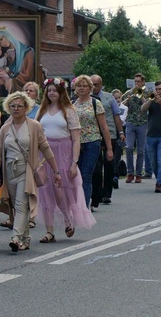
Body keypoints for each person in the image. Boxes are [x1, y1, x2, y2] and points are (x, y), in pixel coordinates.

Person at [0, 90, 60, 252]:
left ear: (26, 108)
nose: (16, 109)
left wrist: (56, 171)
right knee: (16, 205)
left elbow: (45, 148)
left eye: (19, 106)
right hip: (10, 172)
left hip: (27, 170)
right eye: (13, 106)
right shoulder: (5, 128)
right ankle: (26, 238)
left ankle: (15, 238)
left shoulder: (34, 126)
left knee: (22, 204)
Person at [35, 78, 95, 243]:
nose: (52, 93)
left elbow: (76, 139)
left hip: (63, 152)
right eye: (49, 90)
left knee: (60, 190)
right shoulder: (43, 110)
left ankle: (68, 219)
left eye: (55, 90)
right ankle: (49, 231)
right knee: (45, 189)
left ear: (61, 92)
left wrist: (74, 162)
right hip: (46, 153)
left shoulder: (69, 110)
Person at [73, 75, 113, 207]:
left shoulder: (95, 103)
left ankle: (84, 206)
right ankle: (76, 203)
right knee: (76, 175)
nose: (82, 88)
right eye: (80, 86)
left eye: (85, 86)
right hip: (76, 143)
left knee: (86, 175)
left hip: (92, 142)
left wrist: (109, 148)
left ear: (90, 88)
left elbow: (104, 127)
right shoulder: (73, 104)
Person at [90, 74, 125, 198]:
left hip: (109, 133)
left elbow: (116, 115)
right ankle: (97, 193)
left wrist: (120, 132)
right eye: (92, 84)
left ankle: (107, 193)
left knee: (109, 164)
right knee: (96, 166)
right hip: (93, 135)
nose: (94, 87)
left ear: (101, 84)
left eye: (96, 85)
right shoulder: (86, 98)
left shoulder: (109, 98)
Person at [0, 29, 35, 95]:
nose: (2, 43)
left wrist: (5, 81)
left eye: (1, 39)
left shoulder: (27, 52)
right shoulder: (4, 54)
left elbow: (27, 76)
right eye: (0, 43)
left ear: (7, 35)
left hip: (18, 87)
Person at [122, 73, 149, 183]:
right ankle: (130, 173)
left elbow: (148, 105)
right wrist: (128, 99)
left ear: (143, 82)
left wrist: (141, 95)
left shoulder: (147, 93)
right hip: (130, 122)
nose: (137, 83)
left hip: (142, 123)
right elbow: (122, 106)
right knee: (128, 148)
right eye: (135, 81)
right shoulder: (129, 92)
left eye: (139, 81)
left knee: (141, 150)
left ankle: (138, 174)